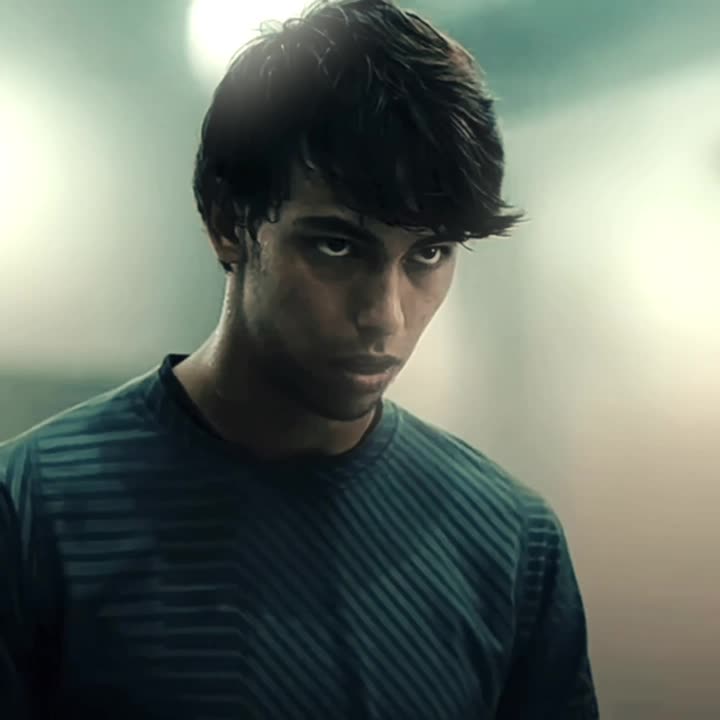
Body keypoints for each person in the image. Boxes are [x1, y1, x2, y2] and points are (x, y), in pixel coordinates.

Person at [0, 1, 600, 718]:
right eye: (338, 245)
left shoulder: (513, 540)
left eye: (429, 254)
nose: (386, 315)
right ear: (228, 222)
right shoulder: (30, 510)